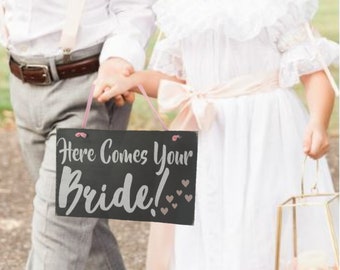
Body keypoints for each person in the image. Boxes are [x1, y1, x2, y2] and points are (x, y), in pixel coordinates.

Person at [94, 0, 339, 269]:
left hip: (264, 133)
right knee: (207, 219)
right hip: (207, 133)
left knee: (261, 217)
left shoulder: (273, 8)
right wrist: (132, 80)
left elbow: (314, 71)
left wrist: (318, 121)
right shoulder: (183, 10)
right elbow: (176, 80)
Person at [0, 0, 155, 269]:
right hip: (23, 84)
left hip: (89, 89)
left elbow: (135, 6)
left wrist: (119, 59)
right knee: (87, 234)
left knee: (56, 241)